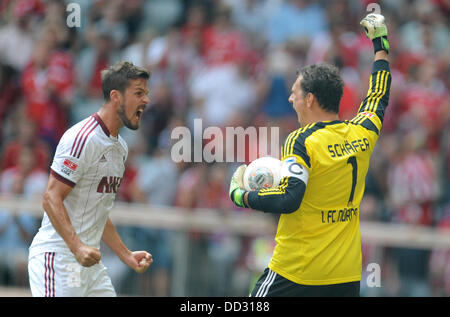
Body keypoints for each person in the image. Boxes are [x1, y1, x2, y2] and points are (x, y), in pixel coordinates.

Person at [229, 13, 392, 296]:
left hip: (297, 271)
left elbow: (289, 198)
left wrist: (240, 194)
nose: (290, 99)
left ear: (310, 98)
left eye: (294, 93)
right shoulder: (362, 131)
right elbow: (379, 94)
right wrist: (380, 44)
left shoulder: (301, 141)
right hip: (345, 275)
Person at [28, 61, 153, 297]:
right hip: (59, 259)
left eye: (146, 93)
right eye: (138, 93)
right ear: (116, 96)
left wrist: (125, 254)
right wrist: (77, 247)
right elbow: (50, 197)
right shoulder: (82, 138)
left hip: (90, 264)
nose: (145, 100)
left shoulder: (121, 147)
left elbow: (97, 212)